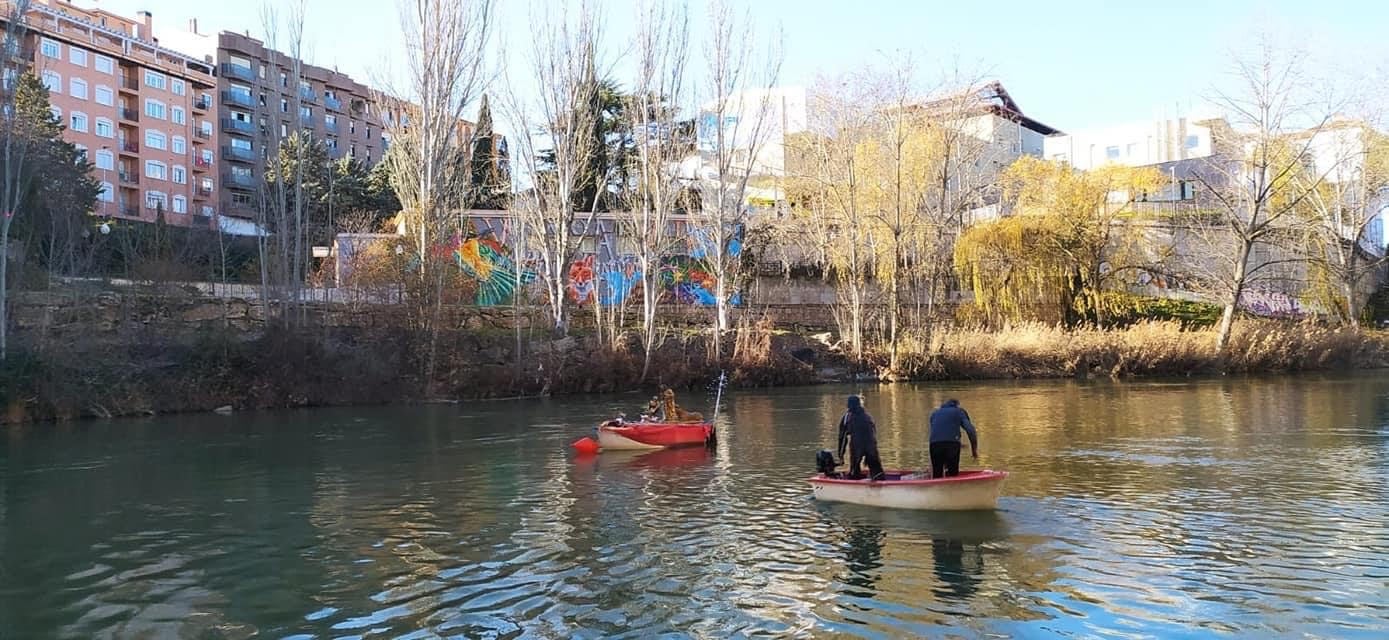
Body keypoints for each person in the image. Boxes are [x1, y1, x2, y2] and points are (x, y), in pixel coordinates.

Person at [837, 395, 885, 481]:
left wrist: (841, 455)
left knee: (854, 471)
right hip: (871, 445)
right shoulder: (868, 416)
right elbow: (874, 431)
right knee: (877, 471)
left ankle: (855, 484)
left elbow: (842, 438)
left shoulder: (847, 417)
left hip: (857, 445)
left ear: (848, 405)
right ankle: (880, 483)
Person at [928, 399, 978, 478]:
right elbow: (970, 430)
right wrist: (974, 450)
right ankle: (953, 486)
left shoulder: (934, 413)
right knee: (952, 473)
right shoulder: (959, 411)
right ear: (957, 405)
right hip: (952, 445)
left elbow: (937, 434)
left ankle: (935, 487)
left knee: (937, 473)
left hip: (934, 445)